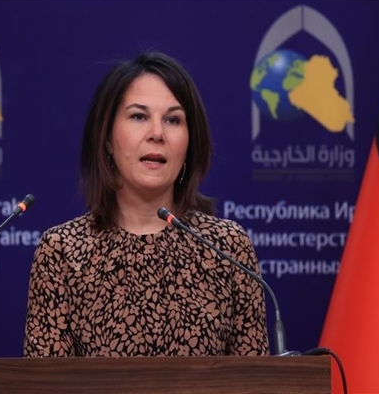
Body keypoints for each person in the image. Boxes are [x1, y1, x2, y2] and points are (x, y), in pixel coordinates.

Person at [23, 51, 269, 357]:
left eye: (173, 120)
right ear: (107, 138)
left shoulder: (227, 248)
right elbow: (46, 379)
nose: (157, 133)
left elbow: (253, 376)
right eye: (139, 116)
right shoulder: (62, 251)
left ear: (190, 142)